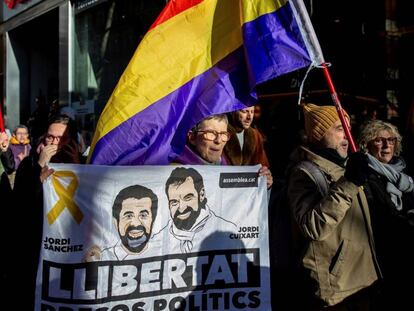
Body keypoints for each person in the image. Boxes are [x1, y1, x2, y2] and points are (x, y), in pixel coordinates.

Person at [286, 103, 379, 310]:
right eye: (339, 128)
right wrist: (349, 184)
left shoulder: (345, 166)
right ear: (318, 135)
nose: (347, 134)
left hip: (362, 279)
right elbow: (313, 227)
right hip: (336, 289)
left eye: (348, 127)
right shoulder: (304, 172)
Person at [12, 114, 81, 309]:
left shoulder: (83, 163)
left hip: (71, 246)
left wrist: (75, 161)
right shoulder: (29, 164)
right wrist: (39, 170)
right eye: (50, 137)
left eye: (60, 138)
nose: (53, 142)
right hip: (38, 244)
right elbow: (20, 205)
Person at [357, 119, 414, 309]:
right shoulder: (362, 172)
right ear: (367, 144)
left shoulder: (403, 172)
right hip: (382, 254)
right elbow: (377, 214)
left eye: (391, 140)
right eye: (380, 140)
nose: (387, 145)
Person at [172, 113, 273, 189]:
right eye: (211, 133)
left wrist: (264, 187)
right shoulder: (173, 174)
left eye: (223, 134)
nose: (219, 140)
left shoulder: (227, 170)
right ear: (192, 137)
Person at [154, 167, 236, 254]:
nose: (181, 208)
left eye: (188, 198)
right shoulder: (157, 241)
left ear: (201, 195)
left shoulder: (229, 231)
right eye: (174, 202)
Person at [96, 185, 159, 261]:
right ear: (116, 223)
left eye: (143, 215)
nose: (136, 223)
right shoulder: (102, 257)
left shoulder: (162, 250)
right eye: (129, 216)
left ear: (153, 220)